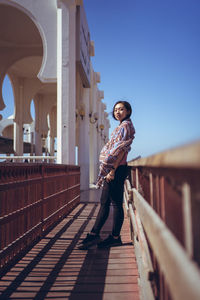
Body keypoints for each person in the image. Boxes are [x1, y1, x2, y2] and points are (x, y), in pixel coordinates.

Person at [79, 101, 135, 249]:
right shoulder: (122, 126)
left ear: (128, 111)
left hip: (116, 170)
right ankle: (97, 235)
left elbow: (122, 150)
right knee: (106, 202)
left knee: (115, 204)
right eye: (116, 110)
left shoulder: (126, 126)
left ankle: (108, 236)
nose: (118, 112)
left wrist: (112, 170)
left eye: (121, 109)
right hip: (114, 169)